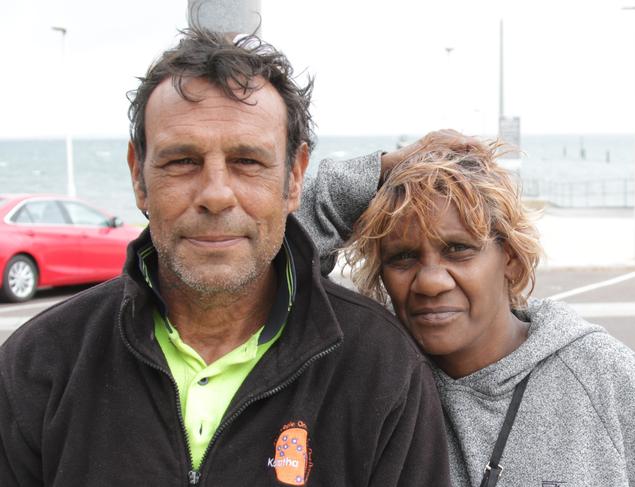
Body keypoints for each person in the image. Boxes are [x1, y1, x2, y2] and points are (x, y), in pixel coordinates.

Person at [0, 29, 451, 486]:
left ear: (294, 178)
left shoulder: (381, 367)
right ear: (138, 175)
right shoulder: (41, 361)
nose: (216, 195)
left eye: (248, 162)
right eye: (182, 161)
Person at [297, 130, 635, 486]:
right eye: (402, 257)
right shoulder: (374, 378)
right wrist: (374, 173)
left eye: (458, 249)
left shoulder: (600, 374)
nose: (431, 282)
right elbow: (265, 258)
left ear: (509, 258)